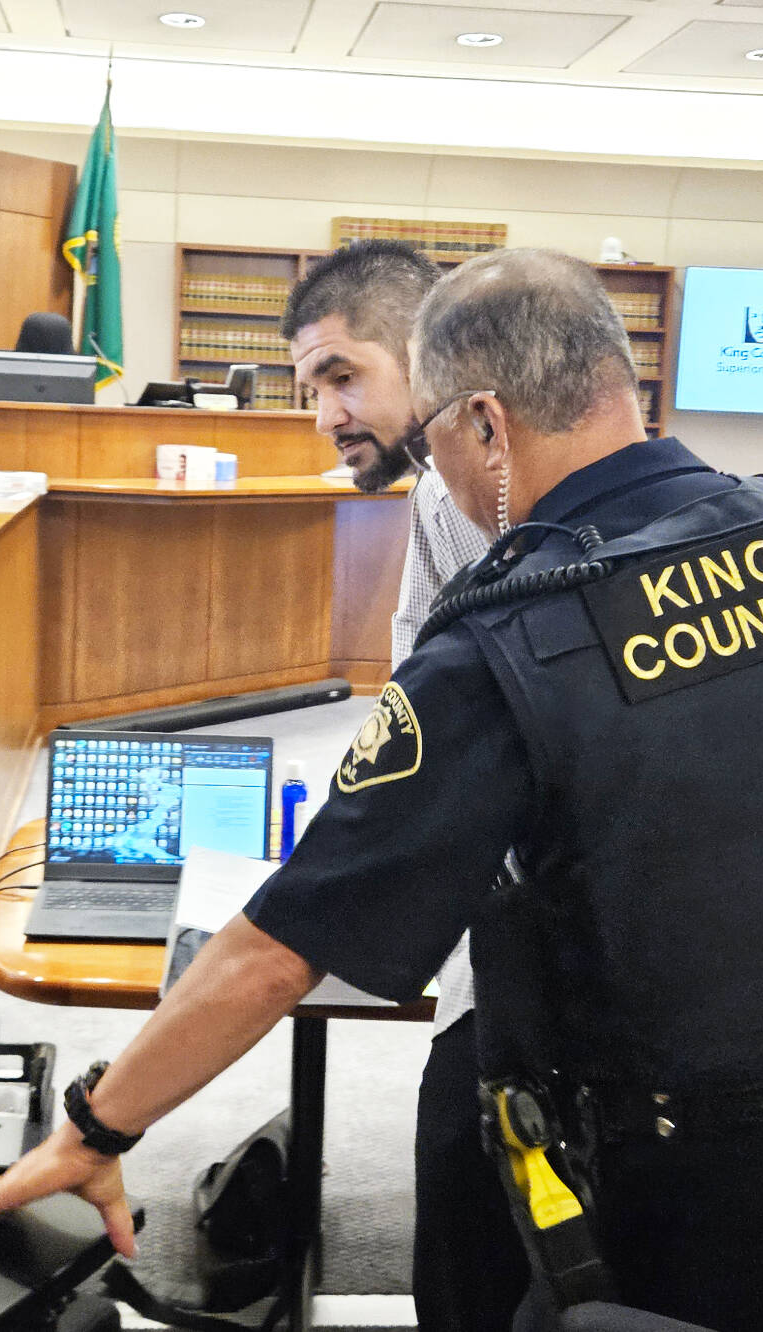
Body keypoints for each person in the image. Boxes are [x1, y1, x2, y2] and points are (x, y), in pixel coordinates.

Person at [0, 249, 763, 1331]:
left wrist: (94, 1129)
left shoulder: (504, 640)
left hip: (710, 1216)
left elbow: (278, 949)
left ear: (481, 423)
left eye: (431, 441)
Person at [280, 240, 521, 1330]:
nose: (323, 414)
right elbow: (415, 688)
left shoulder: (516, 494)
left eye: (340, 375)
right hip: (511, 905)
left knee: (467, 1162)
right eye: (306, 390)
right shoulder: (435, 497)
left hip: (602, 955)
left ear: (430, 356)